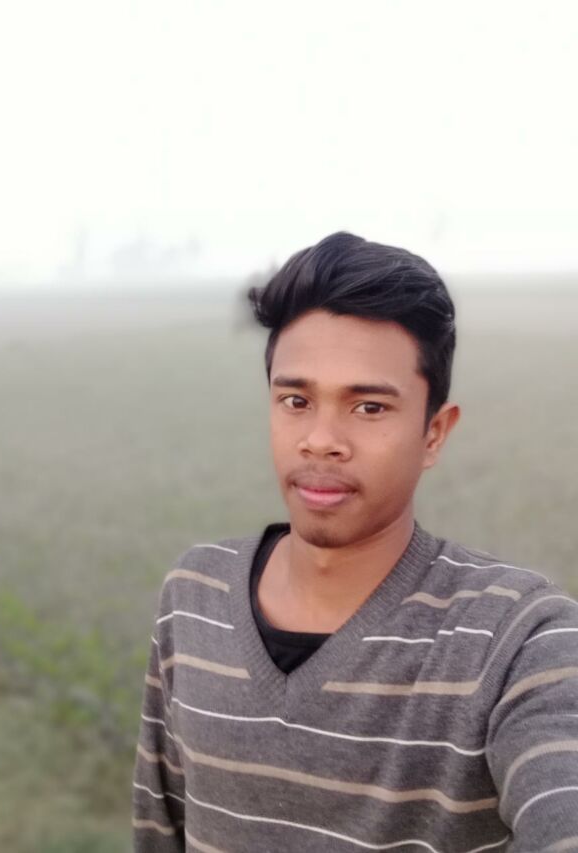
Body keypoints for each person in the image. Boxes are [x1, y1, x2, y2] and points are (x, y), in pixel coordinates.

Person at [132, 232, 578, 852]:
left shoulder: (517, 639)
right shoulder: (194, 594)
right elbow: (159, 829)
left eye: (368, 408)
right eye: (296, 400)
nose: (321, 439)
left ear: (434, 433)